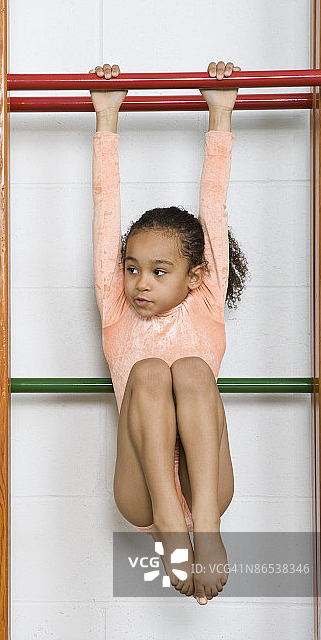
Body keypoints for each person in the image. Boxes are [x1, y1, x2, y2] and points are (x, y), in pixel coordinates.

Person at [90, 61, 249, 605]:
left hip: (207, 487)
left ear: (196, 276)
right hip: (144, 489)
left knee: (192, 370)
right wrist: (106, 118)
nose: (140, 282)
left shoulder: (205, 303)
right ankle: (169, 518)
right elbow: (105, 210)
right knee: (151, 372)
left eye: (159, 272)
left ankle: (204, 524)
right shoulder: (117, 308)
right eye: (132, 268)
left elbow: (214, 207)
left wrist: (220, 112)